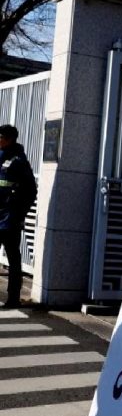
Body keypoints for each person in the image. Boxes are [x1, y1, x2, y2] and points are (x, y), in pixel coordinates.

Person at [0, 124, 36, 307]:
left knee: (13, 258)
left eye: (1, 137)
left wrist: (19, 214)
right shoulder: (1, 157)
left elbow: (31, 191)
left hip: (10, 219)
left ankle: (13, 298)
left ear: (9, 139)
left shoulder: (19, 161)